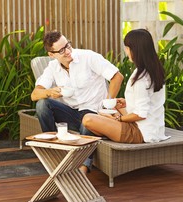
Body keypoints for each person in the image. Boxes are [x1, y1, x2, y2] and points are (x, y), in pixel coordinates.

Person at [31, 30, 124, 173]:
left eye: (68, 45)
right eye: (61, 50)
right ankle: (55, 153)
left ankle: (82, 169)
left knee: (88, 120)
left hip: (95, 114)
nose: (68, 51)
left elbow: (117, 77)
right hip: (72, 113)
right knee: (42, 105)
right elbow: (35, 94)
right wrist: (49, 92)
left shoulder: (88, 57)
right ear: (52, 55)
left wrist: (108, 103)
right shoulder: (52, 67)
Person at [82, 28, 170, 144]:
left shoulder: (140, 79)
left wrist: (119, 119)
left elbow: (141, 114)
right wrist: (126, 102)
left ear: (135, 50)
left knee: (88, 119)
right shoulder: (153, 70)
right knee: (114, 106)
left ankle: (88, 155)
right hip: (154, 128)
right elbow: (149, 102)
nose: (126, 50)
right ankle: (109, 130)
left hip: (140, 132)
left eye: (127, 47)